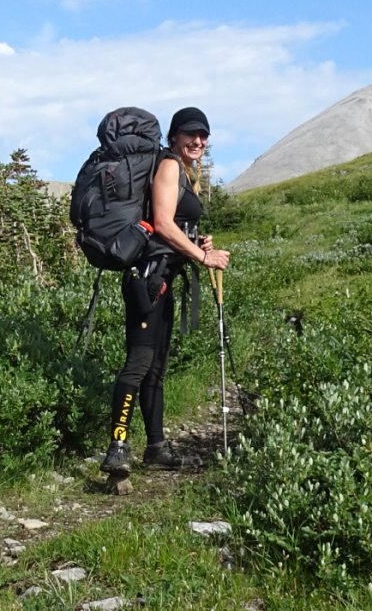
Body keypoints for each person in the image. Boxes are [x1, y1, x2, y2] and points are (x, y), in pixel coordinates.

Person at [100, 106, 231, 475]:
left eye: (204, 135)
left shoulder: (183, 171)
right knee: (139, 365)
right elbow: (161, 225)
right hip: (147, 281)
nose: (198, 141)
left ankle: (155, 447)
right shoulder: (170, 165)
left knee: (156, 368)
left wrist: (196, 243)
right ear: (174, 136)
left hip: (160, 280)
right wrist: (204, 259)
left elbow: (175, 227)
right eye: (191, 134)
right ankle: (118, 447)